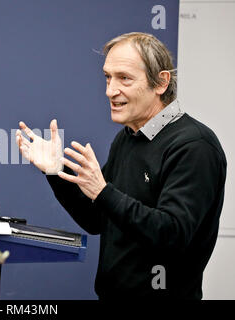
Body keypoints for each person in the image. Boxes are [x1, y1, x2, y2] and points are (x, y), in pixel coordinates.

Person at [15, 32, 226, 300]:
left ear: (161, 82)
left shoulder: (194, 146)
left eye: (124, 78)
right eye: (107, 77)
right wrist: (55, 172)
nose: (110, 91)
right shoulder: (127, 138)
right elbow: (96, 219)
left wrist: (104, 192)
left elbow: (172, 234)